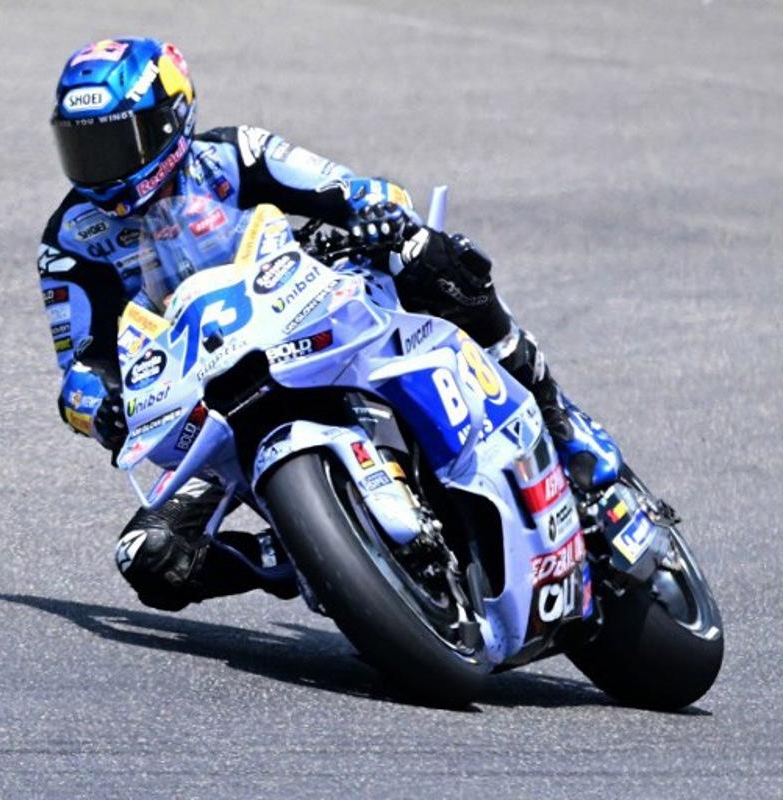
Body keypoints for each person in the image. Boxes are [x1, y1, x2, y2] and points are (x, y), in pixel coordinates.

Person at [39, 37, 619, 612]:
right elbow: (80, 370)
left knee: (432, 257)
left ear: (172, 121)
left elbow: (354, 189)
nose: (101, 165)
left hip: (311, 313)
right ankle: (305, 553)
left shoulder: (233, 154)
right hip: (214, 397)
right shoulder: (69, 240)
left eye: (116, 140)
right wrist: (99, 406)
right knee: (148, 555)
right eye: (81, 146)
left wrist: (377, 214)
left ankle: (558, 417)